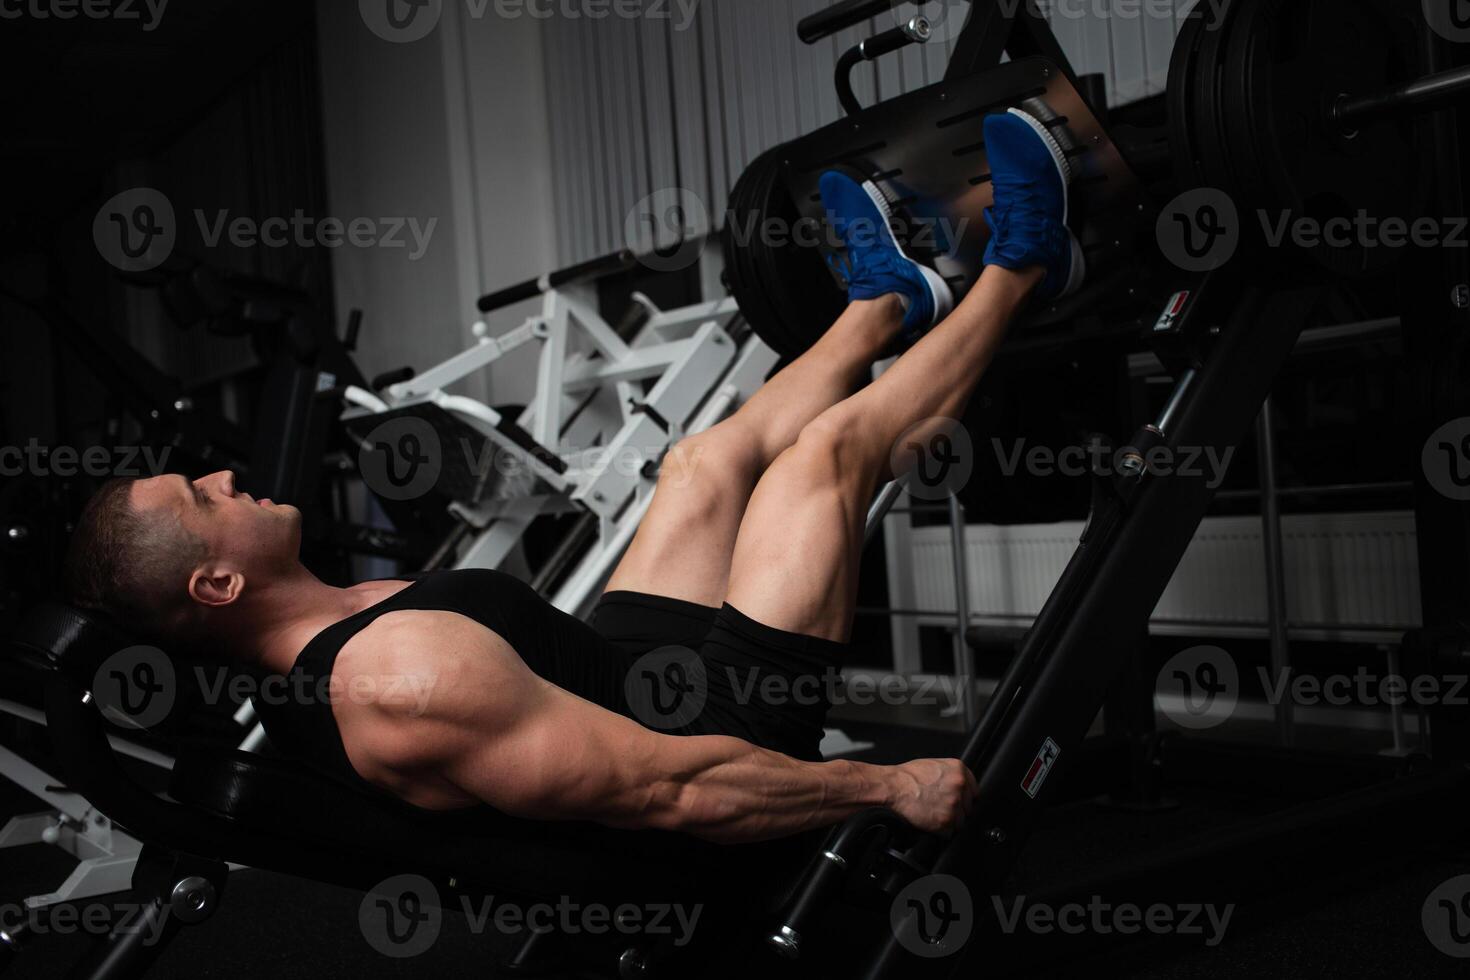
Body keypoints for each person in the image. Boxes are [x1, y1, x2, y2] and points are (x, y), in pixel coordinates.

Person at [63, 109, 1083, 845]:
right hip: (716, 741)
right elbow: (669, 797)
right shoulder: (395, 679)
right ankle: (1029, 263)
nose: (225, 474)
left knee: (702, 461)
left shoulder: (332, 623)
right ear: (216, 585)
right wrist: (885, 786)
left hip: (634, 677)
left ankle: (885, 305)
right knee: (820, 462)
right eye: (203, 499)